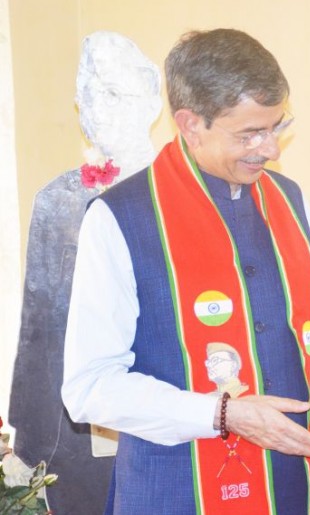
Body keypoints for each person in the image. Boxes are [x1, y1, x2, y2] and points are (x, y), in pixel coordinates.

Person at [62, 28, 310, 515]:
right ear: (190, 124)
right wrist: (221, 414)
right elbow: (88, 387)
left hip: (291, 490)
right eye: (249, 134)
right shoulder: (120, 218)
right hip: (174, 491)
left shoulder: (292, 202)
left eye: (276, 126)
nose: (271, 149)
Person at [9, 31, 161, 514]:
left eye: (115, 93)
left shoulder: (181, 195)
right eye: (88, 95)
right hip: (73, 436)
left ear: (153, 96)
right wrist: (26, 443)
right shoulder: (58, 199)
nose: (100, 108)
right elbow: (37, 333)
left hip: (165, 423)